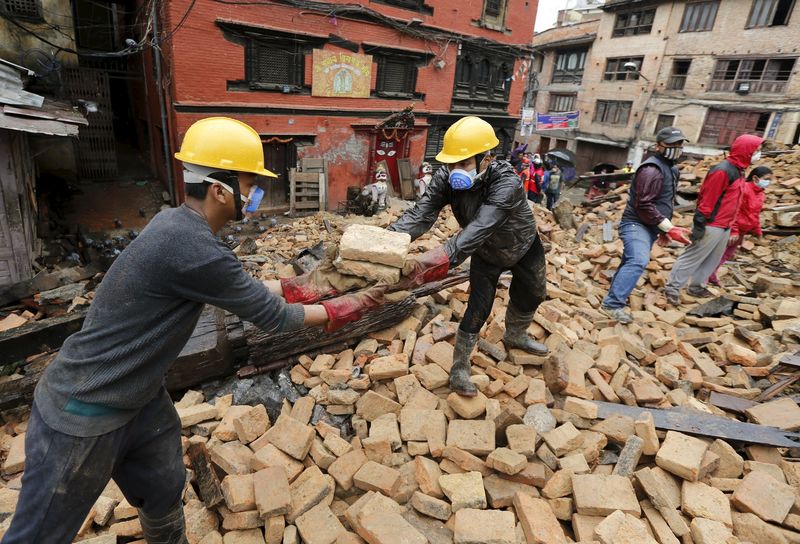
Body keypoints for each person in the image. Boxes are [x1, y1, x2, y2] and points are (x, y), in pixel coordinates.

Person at [2, 117, 385, 544]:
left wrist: (302, 285)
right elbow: (273, 317)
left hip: (140, 395)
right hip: (85, 406)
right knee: (38, 534)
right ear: (219, 189)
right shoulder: (193, 247)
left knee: (164, 485)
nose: (254, 193)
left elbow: (233, 287)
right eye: (247, 183)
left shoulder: (177, 225)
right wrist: (344, 309)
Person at [387, 116, 548, 397]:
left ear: (486, 159)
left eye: (463, 164)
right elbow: (421, 214)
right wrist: (386, 240)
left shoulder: (506, 183)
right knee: (477, 308)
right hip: (486, 254)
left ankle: (516, 334)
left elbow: (479, 228)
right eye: (451, 164)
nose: (454, 171)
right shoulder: (445, 179)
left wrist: (435, 261)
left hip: (522, 246)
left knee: (533, 293)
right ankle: (460, 367)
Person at [600, 126, 692, 324]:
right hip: (635, 224)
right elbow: (644, 204)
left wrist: (663, 229)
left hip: (649, 226)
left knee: (629, 261)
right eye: (671, 144)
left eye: (679, 144)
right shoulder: (651, 170)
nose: (676, 147)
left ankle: (612, 299)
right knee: (638, 261)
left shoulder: (671, 169)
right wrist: (668, 228)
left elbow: (665, 200)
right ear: (659, 145)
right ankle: (612, 305)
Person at [664, 134, 764, 304]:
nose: (759, 154)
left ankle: (697, 286)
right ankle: (672, 288)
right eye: (757, 150)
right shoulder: (723, 170)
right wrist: (699, 225)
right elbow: (707, 199)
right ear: (746, 151)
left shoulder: (739, 170)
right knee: (693, 256)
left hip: (725, 224)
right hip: (712, 223)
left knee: (712, 259)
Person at [707, 166, 772, 286]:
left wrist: (758, 232)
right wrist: (734, 231)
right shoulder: (744, 189)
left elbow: (755, 214)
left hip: (742, 230)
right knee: (717, 253)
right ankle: (703, 278)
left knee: (726, 254)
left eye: (770, 179)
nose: (769, 182)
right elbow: (734, 211)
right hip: (731, 228)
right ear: (755, 178)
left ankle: (712, 274)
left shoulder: (761, 194)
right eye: (766, 179)